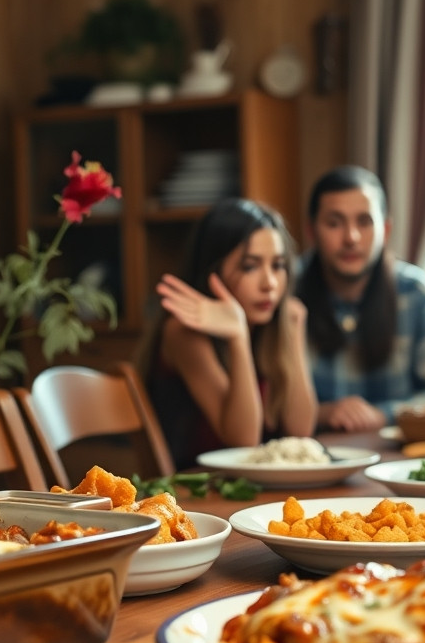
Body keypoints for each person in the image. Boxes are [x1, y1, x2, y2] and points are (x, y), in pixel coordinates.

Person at [135, 197, 316, 468]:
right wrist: (238, 336)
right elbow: (243, 442)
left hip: (257, 485)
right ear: (214, 270)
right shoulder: (182, 331)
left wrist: (292, 333)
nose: (269, 283)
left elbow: (301, 432)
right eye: (250, 266)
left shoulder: (273, 322)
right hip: (194, 487)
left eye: (278, 266)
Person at [294, 165, 425, 432]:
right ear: (311, 231)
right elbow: (267, 399)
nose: (351, 237)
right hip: (308, 451)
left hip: (393, 451)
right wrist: (323, 413)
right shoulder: (286, 292)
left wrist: (383, 414)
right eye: (334, 223)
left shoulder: (418, 294)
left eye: (364, 222)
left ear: (386, 230)